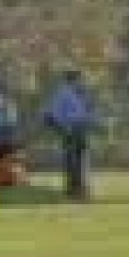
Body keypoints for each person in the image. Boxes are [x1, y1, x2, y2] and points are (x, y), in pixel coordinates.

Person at [45, 70, 95, 201]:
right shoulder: (63, 94)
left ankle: (81, 189)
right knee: (73, 161)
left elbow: (85, 113)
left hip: (81, 130)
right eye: (79, 79)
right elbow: (52, 114)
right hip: (70, 131)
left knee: (82, 161)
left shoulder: (79, 94)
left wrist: (90, 121)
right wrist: (64, 129)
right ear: (73, 80)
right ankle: (74, 190)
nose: (82, 82)